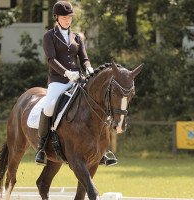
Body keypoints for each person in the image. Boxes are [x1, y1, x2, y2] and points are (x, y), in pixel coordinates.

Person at [35, 1, 117, 167]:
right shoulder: (49, 36)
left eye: (69, 17)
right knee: (49, 107)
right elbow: (51, 59)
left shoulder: (76, 37)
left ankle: (101, 150)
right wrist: (66, 72)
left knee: (95, 106)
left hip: (78, 80)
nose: (67, 20)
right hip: (58, 81)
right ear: (56, 17)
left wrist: (88, 68)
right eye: (64, 17)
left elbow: (84, 58)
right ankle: (42, 147)